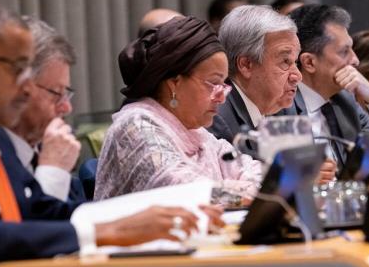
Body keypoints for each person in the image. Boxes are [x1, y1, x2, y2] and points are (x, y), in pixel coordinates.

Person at [0, 0, 218, 267]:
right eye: (17, 69)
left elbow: (38, 210)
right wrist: (105, 232)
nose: (26, 88)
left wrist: (144, 216)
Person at [94, 16, 261, 204]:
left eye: (223, 84)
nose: (221, 96)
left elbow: (253, 170)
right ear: (174, 83)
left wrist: (243, 190)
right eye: (213, 83)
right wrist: (244, 191)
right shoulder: (136, 126)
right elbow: (184, 191)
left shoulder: (196, 131)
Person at [208, 5, 336, 184]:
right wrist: (297, 178)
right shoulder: (217, 119)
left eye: (295, 62)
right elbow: (226, 190)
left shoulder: (280, 109)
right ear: (246, 65)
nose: (297, 76)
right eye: (285, 61)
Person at [287, 4, 369, 168]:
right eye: (344, 51)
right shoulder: (283, 110)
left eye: (352, 49)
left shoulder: (345, 101)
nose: (356, 60)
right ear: (309, 62)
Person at [5, 16, 84, 202]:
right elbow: (21, 229)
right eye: (56, 93)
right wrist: (53, 170)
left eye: (67, 93)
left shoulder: (44, 149)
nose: (67, 107)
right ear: (20, 88)